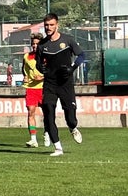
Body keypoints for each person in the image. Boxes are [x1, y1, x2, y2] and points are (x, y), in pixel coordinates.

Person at [35, 13, 85, 156]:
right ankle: (58, 148)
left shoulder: (67, 40)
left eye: (51, 25)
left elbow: (81, 55)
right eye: (46, 25)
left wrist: (72, 68)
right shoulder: (42, 45)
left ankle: (73, 127)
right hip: (49, 84)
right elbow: (38, 64)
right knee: (48, 112)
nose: (48, 28)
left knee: (70, 116)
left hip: (65, 83)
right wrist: (41, 68)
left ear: (57, 25)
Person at [22, 33, 44, 148]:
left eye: (37, 44)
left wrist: (42, 77)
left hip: (44, 88)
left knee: (48, 113)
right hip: (31, 89)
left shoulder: (46, 56)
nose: (35, 46)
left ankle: (48, 133)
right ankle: (33, 139)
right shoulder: (26, 57)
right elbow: (24, 70)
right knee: (31, 112)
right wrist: (25, 77)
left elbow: (53, 71)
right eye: (33, 44)